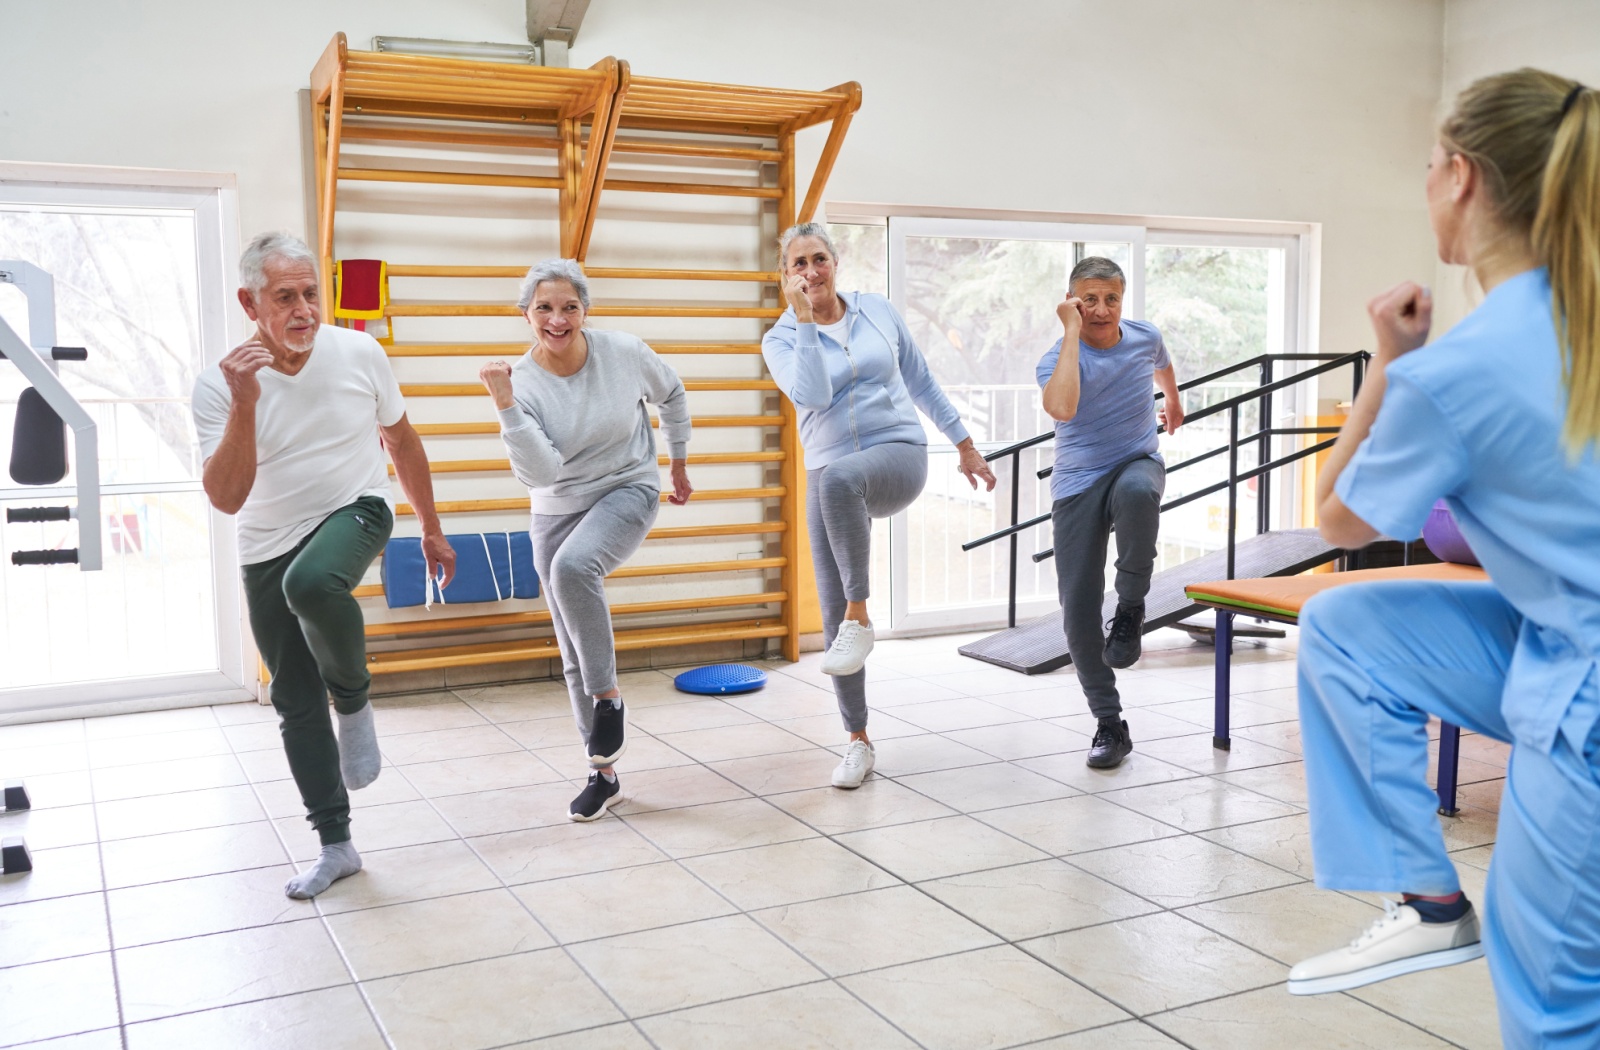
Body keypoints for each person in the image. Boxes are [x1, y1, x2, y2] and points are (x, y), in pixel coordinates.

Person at [1288, 69, 1600, 1049]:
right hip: (1561, 641)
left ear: (1460, 176)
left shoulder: (1453, 371)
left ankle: (1432, 907)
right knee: (1346, 626)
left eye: (1427, 166)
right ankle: (1428, 902)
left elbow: (1335, 521)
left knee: (1557, 1005)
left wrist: (1387, 361)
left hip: (1586, 695)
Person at [193, 232, 456, 899]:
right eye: (286, 297)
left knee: (311, 582)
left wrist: (431, 527)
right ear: (249, 301)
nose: (305, 309)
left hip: (357, 507)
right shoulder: (219, 385)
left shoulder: (359, 351)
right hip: (265, 539)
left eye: (312, 293)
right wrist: (246, 403)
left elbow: (400, 440)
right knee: (292, 698)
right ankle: (337, 847)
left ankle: (357, 701)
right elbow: (226, 498)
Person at [762, 223, 996, 790]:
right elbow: (813, 396)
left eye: (819, 259)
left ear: (835, 262)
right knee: (832, 605)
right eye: (799, 264)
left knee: (841, 502)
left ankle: (860, 615)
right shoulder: (780, 339)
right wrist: (804, 323)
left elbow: (919, 378)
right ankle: (858, 740)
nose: (811, 271)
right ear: (785, 275)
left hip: (897, 453)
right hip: (830, 470)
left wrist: (964, 444)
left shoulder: (878, 312)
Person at [481, 259, 692, 821]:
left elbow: (671, 394)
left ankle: (609, 700)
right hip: (554, 506)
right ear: (526, 316)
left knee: (573, 568)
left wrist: (677, 462)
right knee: (572, 649)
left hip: (628, 486)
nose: (557, 318)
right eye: (544, 308)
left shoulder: (623, 352)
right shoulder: (520, 384)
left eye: (569, 306)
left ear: (585, 311)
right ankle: (603, 775)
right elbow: (542, 473)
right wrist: (505, 407)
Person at [1037, 257, 1184, 769]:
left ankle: (1130, 609)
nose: (1102, 309)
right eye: (1089, 300)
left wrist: (1173, 398)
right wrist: (1073, 334)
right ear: (1073, 303)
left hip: (1136, 460)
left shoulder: (1145, 337)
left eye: (1111, 298)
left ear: (1124, 299)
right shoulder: (1058, 356)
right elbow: (1062, 409)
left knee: (1140, 492)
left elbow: (1162, 361)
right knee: (1076, 611)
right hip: (1078, 482)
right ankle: (1109, 722)